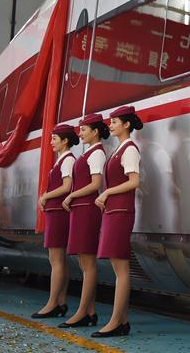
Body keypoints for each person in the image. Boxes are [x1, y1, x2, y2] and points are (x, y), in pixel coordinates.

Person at [92, 105, 143, 338]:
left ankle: (116, 321)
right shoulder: (120, 149)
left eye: (114, 122)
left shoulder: (129, 149)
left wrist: (106, 192)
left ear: (127, 124)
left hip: (121, 212)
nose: (110, 125)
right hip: (114, 211)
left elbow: (134, 181)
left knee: (121, 269)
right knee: (118, 268)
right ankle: (122, 321)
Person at [59, 113, 108, 328]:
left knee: (88, 264)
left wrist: (71, 195)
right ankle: (90, 311)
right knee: (83, 263)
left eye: (84, 129)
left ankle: (82, 312)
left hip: (87, 210)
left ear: (95, 131)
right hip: (80, 210)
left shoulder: (96, 153)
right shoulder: (89, 152)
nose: (80, 134)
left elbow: (95, 184)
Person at [31, 123, 78, 319]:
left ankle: (52, 303)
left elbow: (67, 186)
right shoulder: (63, 159)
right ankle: (60, 302)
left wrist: (46, 196)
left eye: (54, 139)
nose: (51, 142)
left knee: (56, 261)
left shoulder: (67, 160)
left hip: (58, 213)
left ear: (65, 141)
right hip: (56, 212)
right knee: (60, 261)